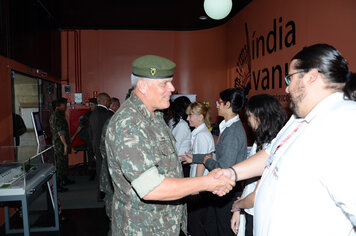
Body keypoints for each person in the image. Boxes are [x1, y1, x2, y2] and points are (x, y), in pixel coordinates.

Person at [217, 44, 356, 235]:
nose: (287, 88)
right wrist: (231, 174)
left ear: (311, 76)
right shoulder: (299, 117)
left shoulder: (344, 123)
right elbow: (271, 153)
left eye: (290, 78)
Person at [105, 55, 235, 235]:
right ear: (142, 85)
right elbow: (152, 188)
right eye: (164, 83)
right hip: (143, 228)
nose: (172, 88)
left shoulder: (154, 116)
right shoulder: (129, 123)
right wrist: (207, 182)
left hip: (164, 225)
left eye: (171, 82)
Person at [181, 88, 248, 236]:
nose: (216, 105)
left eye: (220, 102)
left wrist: (207, 161)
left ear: (228, 105)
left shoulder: (233, 132)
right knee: (211, 228)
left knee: (221, 230)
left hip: (227, 192)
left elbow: (223, 167)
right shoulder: (229, 127)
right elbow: (217, 156)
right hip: (221, 192)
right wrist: (196, 158)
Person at [230, 94, 287, 236]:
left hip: (259, 214)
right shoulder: (259, 142)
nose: (248, 121)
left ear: (259, 116)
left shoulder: (274, 147)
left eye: (249, 116)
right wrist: (239, 209)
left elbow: (256, 195)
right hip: (249, 210)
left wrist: (237, 206)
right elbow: (249, 181)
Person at [185, 102, 215, 236]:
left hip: (201, 187)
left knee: (196, 224)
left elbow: (202, 162)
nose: (188, 118)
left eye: (191, 115)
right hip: (200, 185)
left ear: (201, 117)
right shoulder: (199, 133)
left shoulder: (202, 135)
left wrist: (195, 189)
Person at [88, 92, 113, 201]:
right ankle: (105, 194)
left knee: (99, 171)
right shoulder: (107, 114)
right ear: (102, 101)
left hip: (95, 146)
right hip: (105, 147)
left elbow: (90, 132)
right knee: (106, 172)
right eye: (108, 101)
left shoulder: (92, 114)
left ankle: (99, 195)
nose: (109, 103)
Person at [49, 97, 72, 192]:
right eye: (65, 104)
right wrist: (65, 144)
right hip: (60, 144)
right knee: (60, 164)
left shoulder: (59, 114)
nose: (66, 106)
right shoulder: (57, 116)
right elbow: (60, 131)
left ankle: (64, 179)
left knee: (64, 162)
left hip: (61, 142)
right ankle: (57, 185)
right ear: (60, 105)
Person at [169, 96, 192, 177]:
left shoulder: (173, 121)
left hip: (179, 162)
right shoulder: (182, 125)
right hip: (181, 163)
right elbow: (176, 146)